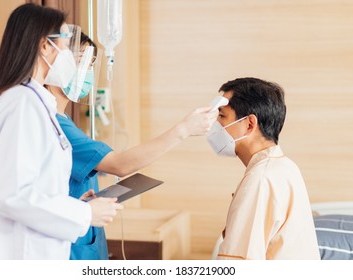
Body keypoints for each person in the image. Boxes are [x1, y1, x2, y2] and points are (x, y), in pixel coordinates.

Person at [0, 3, 123, 260]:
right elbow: (13, 196)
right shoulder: (22, 104)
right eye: (66, 44)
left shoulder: (36, 104)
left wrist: (75, 205)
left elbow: (34, 189)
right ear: (44, 46)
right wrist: (85, 214)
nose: (69, 56)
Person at [45, 32, 218, 260]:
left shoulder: (64, 121)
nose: (85, 71)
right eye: (80, 61)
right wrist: (183, 130)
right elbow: (120, 164)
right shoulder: (54, 124)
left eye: (89, 64)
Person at [207, 77, 320, 260]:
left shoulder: (261, 179)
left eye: (221, 116)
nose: (214, 125)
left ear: (250, 124)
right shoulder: (285, 167)